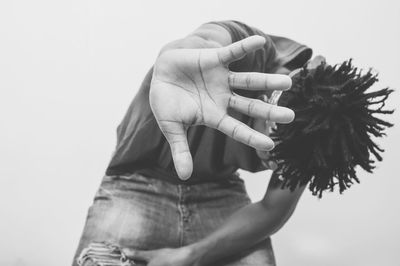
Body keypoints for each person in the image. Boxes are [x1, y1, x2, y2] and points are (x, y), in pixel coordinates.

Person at [72, 20, 316, 266]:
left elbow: (272, 209)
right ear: (267, 104)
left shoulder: (320, 133)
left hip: (220, 187)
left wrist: (191, 255)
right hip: (136, 180)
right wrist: (185, 52)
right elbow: (211, 37)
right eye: (275, 154)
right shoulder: (254, 52)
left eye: (284, 166)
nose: (275, 168)